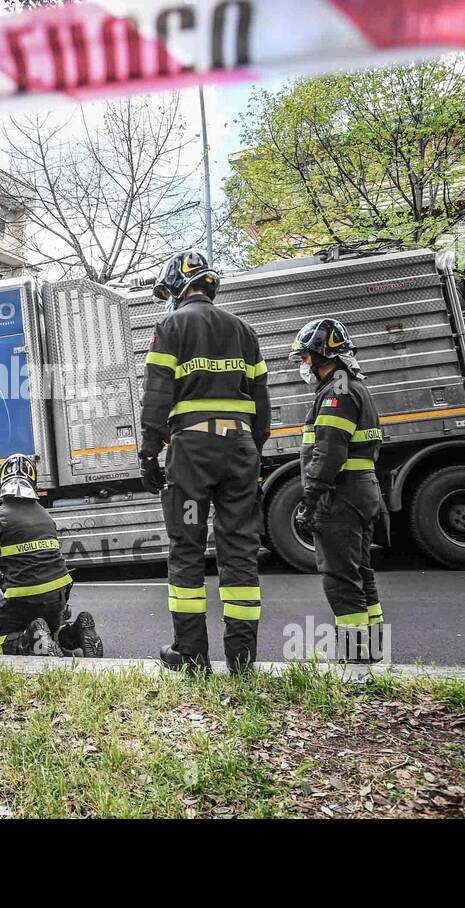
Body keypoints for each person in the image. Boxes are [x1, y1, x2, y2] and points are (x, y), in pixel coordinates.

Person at [139, 251, 269, 675]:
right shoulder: (245, 331)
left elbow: (157, 392)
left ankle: (191, 655)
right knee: (239, 552)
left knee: (188, 548)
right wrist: (254, 453)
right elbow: (261, 404)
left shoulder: (172, 326)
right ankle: (242, 661)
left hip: (193, 455)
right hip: (241, 451)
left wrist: (148, 450)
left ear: (178, 285)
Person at [289, 317, 385, 663]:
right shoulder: (355, 385)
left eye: (305, 357)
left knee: (340, 576)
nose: (303, 364)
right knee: (360, 571)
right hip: (362, 490)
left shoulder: (337, 391)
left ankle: (354, 656)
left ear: (319, 354)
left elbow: (329, 452)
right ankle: (372, 650)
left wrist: (310, 499)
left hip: (340, 494)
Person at [0, 454, 103, 658]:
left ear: (1, 482)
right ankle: (76, 632)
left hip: (23, 597)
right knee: (50, 632)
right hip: (58, 594)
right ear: (32, 482)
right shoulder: (45, 515)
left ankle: (26, 642)